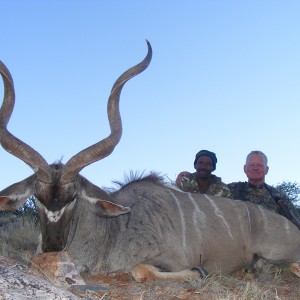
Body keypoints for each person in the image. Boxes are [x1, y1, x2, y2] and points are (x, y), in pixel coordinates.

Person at [228, 150, 300, 229]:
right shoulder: (230, 190)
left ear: (267, 169)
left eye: (260, 165)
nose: (255, 168)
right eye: (252, 165)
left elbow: (295, 223)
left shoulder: (278, 196)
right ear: (245, 168)